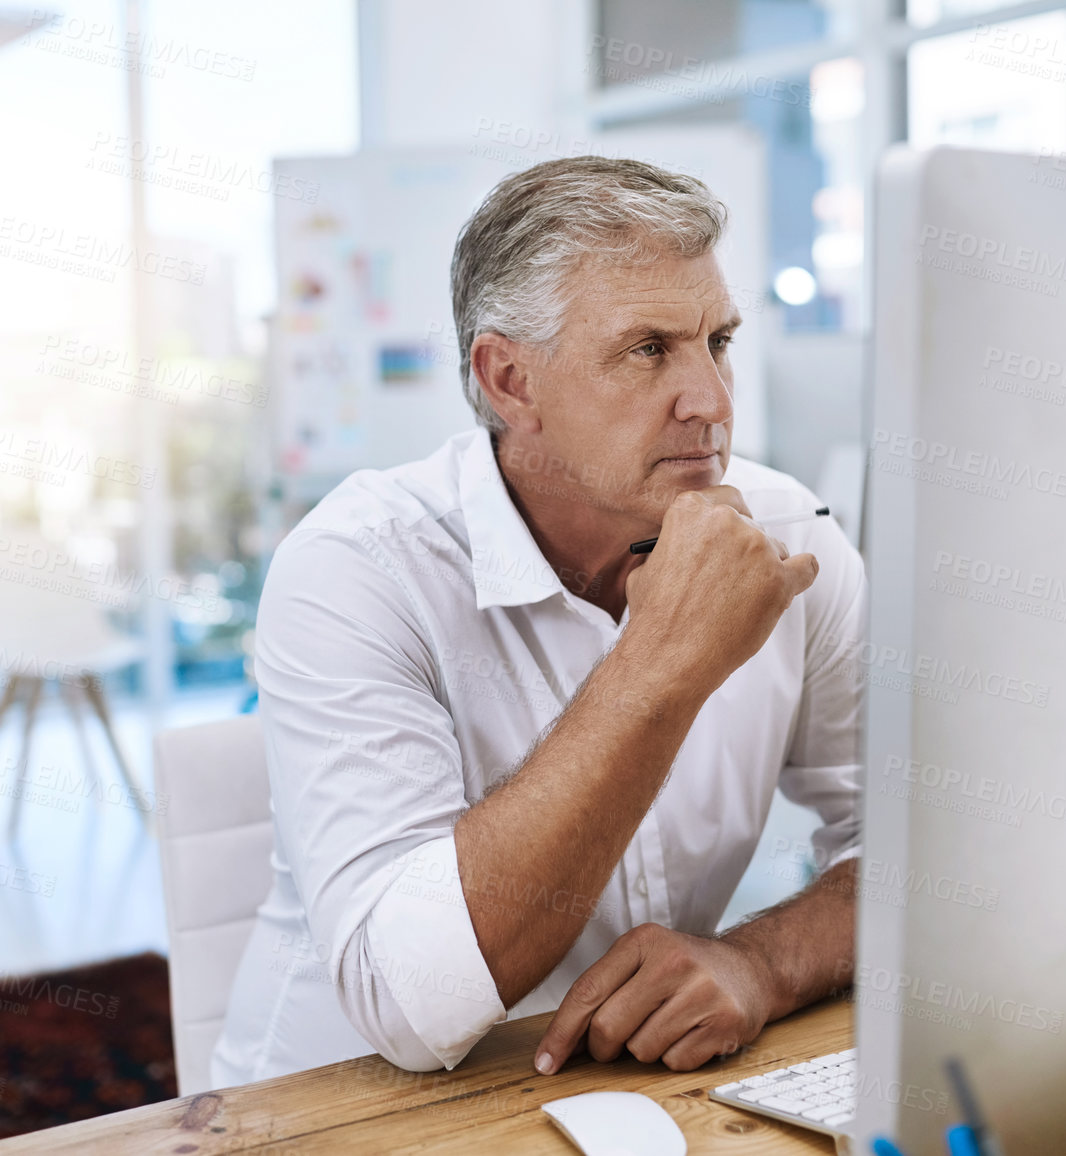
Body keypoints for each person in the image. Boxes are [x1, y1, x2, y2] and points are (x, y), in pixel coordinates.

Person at [212, 156, 865, 1086]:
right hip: (343, 1110)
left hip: (631, 1091)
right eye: (647, 350)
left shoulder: (792, 535)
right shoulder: (356, 567)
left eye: (716, 341)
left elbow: (927, 856)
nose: (713, 403)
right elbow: (410, 1008)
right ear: (510, 379)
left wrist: (758, 962)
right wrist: (659, 662)